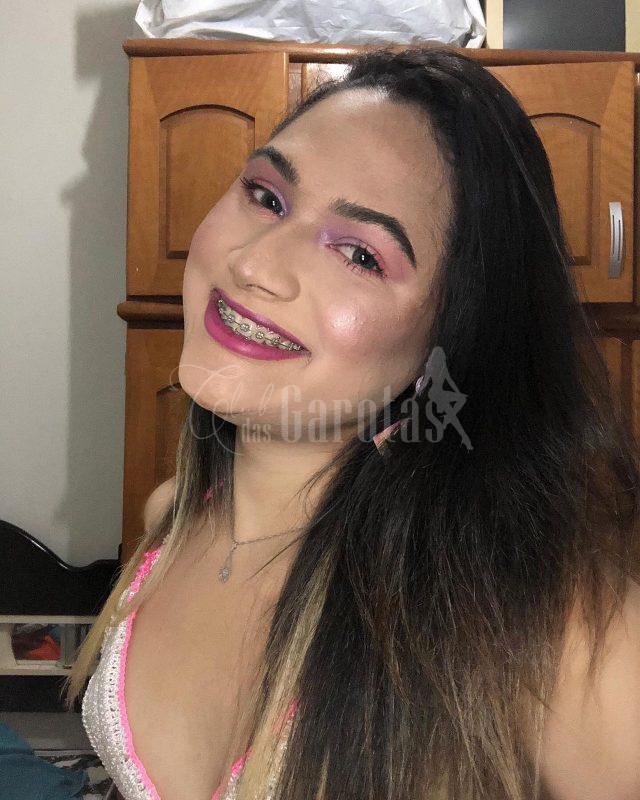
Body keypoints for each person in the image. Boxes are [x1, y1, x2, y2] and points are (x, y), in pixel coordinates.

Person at [64, 46, 640, 800]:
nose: (255, 265)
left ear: (453, 335)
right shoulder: (169, 522)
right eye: (267, 197)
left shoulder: (557, 623)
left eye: (361, 255)